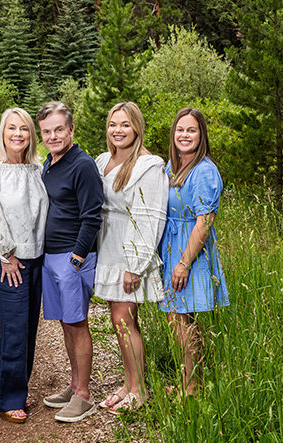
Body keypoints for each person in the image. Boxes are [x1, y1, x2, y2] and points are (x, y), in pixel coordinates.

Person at [0, 108, 49, 424]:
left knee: (28, 327)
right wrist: (6, 254)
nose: (18, 134)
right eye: (11, 128)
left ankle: (16, 385)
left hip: (35, 257)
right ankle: (8, 399)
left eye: (24, 129)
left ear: (31, 134)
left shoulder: (36, 167)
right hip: (8, 261)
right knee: (13, 327)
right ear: (2, 132)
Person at [94, 102, 168, 413]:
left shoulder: (147, 166)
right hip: (107, 247)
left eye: (125, 124)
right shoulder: (102, 161)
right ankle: (128, 383)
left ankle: (139, 390)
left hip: (129, 252)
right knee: (125, 320)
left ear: (136, 127)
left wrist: (135, 265)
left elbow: (150, 217)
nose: (118, 130)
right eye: (113, 124)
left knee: (121, 319)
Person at [37, 101, 104, 423]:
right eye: (47, 131)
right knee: (65, 322)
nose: (53, 136)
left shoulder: (83, 165)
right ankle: (74, 384)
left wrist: (77, 257)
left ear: (71, 129)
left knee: (77, 323)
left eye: (58, 129)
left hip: (72, 257)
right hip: (51, 256)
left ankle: (84, 396)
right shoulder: (49, 163)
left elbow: (92, 216)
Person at [159, 107, 229, 396]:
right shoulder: (172, 166)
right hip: (173, 247)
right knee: (180, 319)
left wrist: (184, 262)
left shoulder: (204, 170)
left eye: (192, 130)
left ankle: (192, 388)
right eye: (180, 130)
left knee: (181, 318)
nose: (184, 135)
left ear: (201, 135)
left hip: (191, 251)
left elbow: (205, 221)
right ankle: (191, 380)